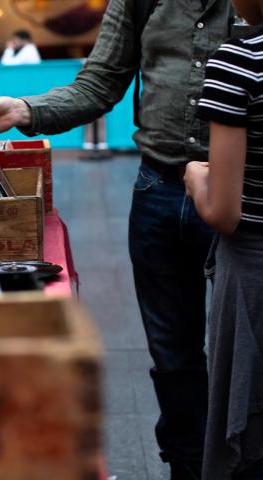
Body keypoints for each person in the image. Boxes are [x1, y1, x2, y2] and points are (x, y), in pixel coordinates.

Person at [0, 1, 234, 478]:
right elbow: (100, 83)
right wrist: (24, 110)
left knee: (245, 355)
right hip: (159, 191)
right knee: (174, 359)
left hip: (244, 196)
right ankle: (188, 468)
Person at [184, 3, 263, 479]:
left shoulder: (239, 61)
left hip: (253, 275)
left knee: (249, 435)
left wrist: (196, 176)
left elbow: (223, 214)